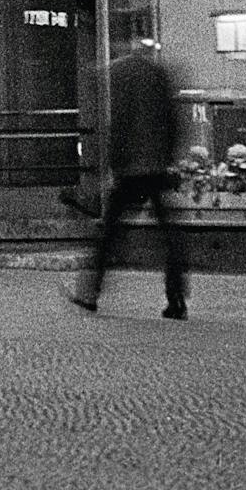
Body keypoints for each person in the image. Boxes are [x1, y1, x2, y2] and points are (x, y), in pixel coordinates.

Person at [65, 37, 189, 320]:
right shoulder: (160, 74)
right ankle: (177, 298)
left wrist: (113, 163)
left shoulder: (120, 75)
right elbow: (174, 120)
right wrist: (168, 158)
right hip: (156, 167)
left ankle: (90, 293)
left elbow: (119, 122)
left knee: (109, 233)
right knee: (169, 235)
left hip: (132, 168)